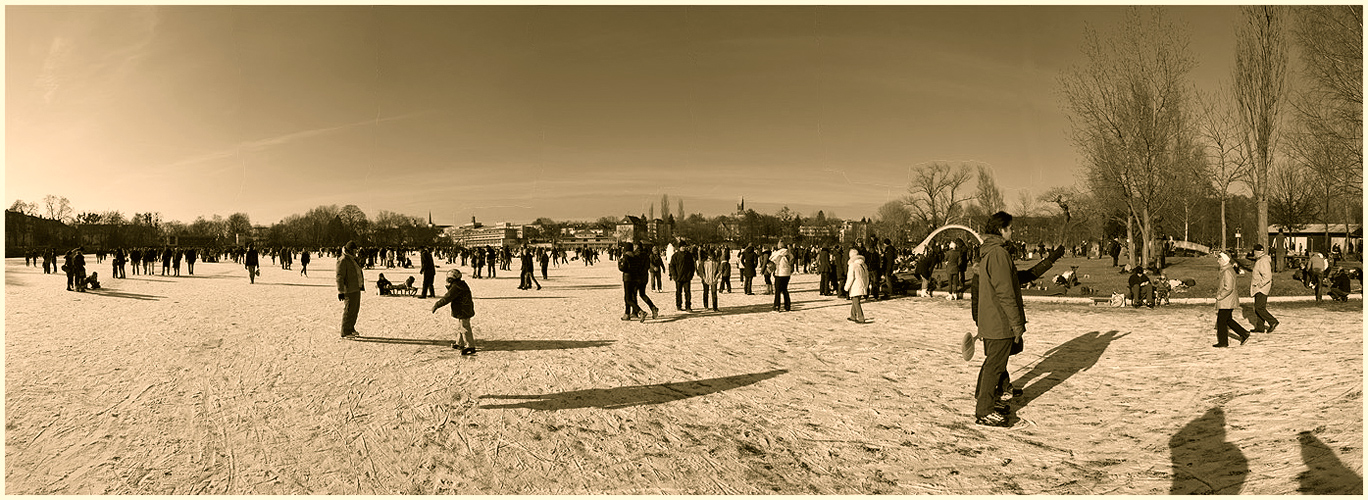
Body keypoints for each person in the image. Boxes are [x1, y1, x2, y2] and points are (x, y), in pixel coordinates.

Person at [970, 212, 1025, 428]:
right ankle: (984, 410)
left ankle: (986, 399)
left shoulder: (989, 252)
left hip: (991, 319)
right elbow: (1005, 292)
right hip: (999, 321)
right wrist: (1016, 323)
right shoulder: (999, 254)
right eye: (1010, 228)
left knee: (993, 362)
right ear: (1001, 230)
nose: (1012, 232)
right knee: (995, 365)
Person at [432, 268, 477, 355]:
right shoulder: (460, 284)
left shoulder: (456, 287)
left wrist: (437, 305)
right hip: (464, 309)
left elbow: (448, 297)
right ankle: (459, 343)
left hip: (464, 310)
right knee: (461, 326)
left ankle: (470, 346)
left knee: (465, 327)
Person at [1214, 250, 1251, 348]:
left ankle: (1223, 342)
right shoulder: (1227, 269)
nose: (1218, 260)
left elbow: (1228, 287)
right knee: (1228, 320)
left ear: (1224, 260)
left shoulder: (1227, 271)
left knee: (1221, 321)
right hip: (1228, 300)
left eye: (1219, 258)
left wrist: (1220, 296)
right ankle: (1244, 333)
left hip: (1227, 300)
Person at [336, 241, 365, 338]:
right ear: (349, 250)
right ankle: (345, 331)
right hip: (348, 289)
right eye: (354, 250)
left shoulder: (352, 259)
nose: (355, 252)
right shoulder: (343, 260)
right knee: (349, 310)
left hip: (356, 287)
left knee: (355, 310)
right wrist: (340, 291)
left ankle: (351, 328)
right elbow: (340, 276)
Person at [1249, 244, 1278, 333]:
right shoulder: (1261, 260)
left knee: (1259, 308)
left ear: (1257, 252)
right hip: (1260, 287)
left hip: (1261, 288)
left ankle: (1273, 321)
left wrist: (1259, 285)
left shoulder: (1263, 261)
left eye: (1254, 251)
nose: (1254, 253)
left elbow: (1267, 277)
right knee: (1258, 307)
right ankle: (1260, 327)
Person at [844, 248, 868, 323]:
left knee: (856, 302)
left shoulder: (852, 265)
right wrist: (866, 286)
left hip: (856, 286)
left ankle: (861, 318)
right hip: (862, 285)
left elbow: (851, 277)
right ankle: (853, 316)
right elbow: (867, 276)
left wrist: (846, 287)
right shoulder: (863, 265)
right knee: (855, 301)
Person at [670, 243, 696, 312]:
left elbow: (692, 266)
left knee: (687, 292)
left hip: (687, 277)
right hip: (678, 277)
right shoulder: (675, 256)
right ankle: (678, 305)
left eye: (685, 246)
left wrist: (691, 274)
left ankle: (688, 306)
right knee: (678, 292)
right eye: (682, 246)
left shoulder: (689, 255)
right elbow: (672, 266)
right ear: (679, 247)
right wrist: (674, 276)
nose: (684, 247)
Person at [770, 241, 794, 312]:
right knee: (785, 290)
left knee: (777, 290)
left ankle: (777, 305)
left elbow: (771, 259)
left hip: (780, 273)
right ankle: (787, 305)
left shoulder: (778, 253)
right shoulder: (789, 253)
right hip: (787, 274)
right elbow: (792, 261)